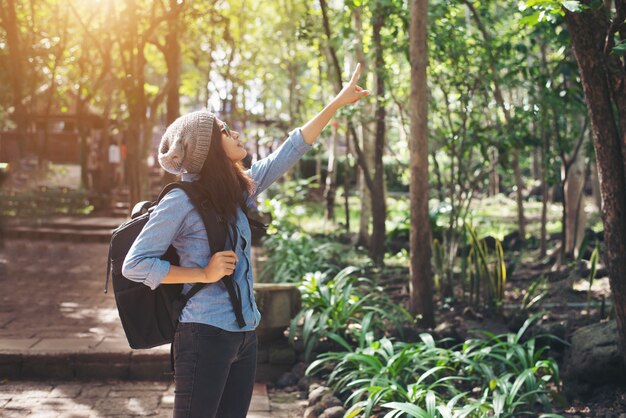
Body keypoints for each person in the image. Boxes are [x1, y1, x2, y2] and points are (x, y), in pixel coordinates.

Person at [122, 63, 369, 418]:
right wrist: (203, 274)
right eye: (225, 131)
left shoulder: (237, 189)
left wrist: (337, 102)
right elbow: (135, 264)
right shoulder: (180, 199)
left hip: (244, 334)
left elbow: (292, 148)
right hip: (204, 333)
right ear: (207, 149)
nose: (236, 134)